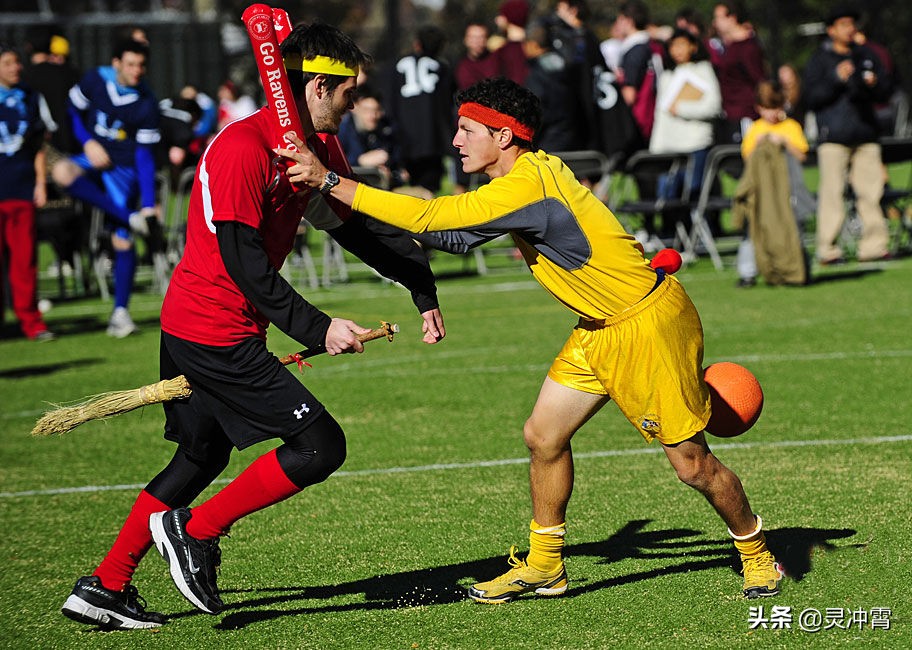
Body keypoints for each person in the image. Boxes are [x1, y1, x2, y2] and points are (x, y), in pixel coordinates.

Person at [280, 76, 784, 604]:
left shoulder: (527, 186)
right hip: (601, 327)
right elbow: (450, 237)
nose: (455, 141)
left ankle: (755, 550)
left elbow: (433, 218)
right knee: (544, 437)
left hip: (646, 327)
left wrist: (329, 181)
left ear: (503, 138)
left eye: (467, 130)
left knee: (692, 466)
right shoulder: (523, 178)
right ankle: (545, 565)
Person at [59, 22, 446, 630]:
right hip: (212, 328)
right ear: (320, 86)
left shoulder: (315, 150)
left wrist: (419, 285)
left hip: (212, 325)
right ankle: (196, 532)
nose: (353, 107)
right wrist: (317, 329)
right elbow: (243, 263)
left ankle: (104, 586)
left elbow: (354, 228)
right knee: (320, 446)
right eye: (348, 94)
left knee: (200, 455)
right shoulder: (241, 148)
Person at [50, 38, 161, 338]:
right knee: (61, 170)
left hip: (123, 168)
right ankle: (128, 216)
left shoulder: (147, 102)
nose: (137, 71)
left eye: (141, 65)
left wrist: (149, 203)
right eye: (130, 64)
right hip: (92, 154)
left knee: (122, 242)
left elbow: (144, 156)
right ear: (116, 64)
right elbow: (72, 112)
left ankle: (120, 314)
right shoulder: (95, 80)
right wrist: (88, 142)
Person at [804, 7, 892, 264]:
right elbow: (811, 98)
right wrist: (835, 78)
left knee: (871, 193)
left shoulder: (866, 55)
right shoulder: (819, 59)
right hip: (833, 137)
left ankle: (873, 246)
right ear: (831, 30)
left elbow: (886, 91)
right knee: (833, 194)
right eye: (843, 24)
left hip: (865, 134)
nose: (850, 29)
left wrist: (875, 85)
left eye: (852, 24)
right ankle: (828, 250)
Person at [0, 43, 56, 341]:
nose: (15, 68)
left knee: (25, 262)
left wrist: (40, 183)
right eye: (8, 62)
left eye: (17, 62)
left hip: (21, 189)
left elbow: (37, 146)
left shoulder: (30, 97)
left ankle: (32, 322)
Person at [733, 80, 812, 287]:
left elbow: (803, 155)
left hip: (787, 189)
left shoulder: (791, 127)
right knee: (754, 229)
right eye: (767, 109)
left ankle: (800, 268)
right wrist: (760, 144)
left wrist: (784, 142)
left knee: (794, 229)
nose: (772, 114)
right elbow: (748, 159)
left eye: (776, 108)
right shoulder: (756, 129)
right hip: (763, 191)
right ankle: (748, 272)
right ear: (759, 108)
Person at [649, 28, 722, 239]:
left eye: (682, 44)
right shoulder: (667, 76)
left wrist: (681, 109)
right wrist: (657, 149)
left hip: (695, 144)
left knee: (694, 192)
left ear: (693, 46)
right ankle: (672, 238)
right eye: (673, 45)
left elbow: (713, 106)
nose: (677, 50)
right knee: (668, 196)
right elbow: (660, 116)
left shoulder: (703, 70)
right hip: (669, 148)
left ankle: (699, 238)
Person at [385, 25, 455, 195]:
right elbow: (448, 104)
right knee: (429, 188)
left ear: (417, 44)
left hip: (404, 138)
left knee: (405, 186)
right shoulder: (441, 67)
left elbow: (389, 100)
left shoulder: (396, 65)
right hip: (432, 139)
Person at [709, 1, 768, 145]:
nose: (715, 23)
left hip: (745, 113)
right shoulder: (728, 46)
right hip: (730, 114)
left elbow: (758, 79)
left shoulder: (747, 47)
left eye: (719, 17)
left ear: (732, 18)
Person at [613, 0, 665, 146]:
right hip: (652, 116)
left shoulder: (635, 50)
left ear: (628, 21)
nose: (617, 24)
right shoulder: (652, 45)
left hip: (638, 120)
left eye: (620, 19)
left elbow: (630, 95)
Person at [337, 85, 404, 186]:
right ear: (354, 108)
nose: (372, 116)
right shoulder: (340, 131)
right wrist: (360, 162)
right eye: (367, 110)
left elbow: (398, 167)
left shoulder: (386, 130)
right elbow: (333, 167)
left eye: (376, 110)